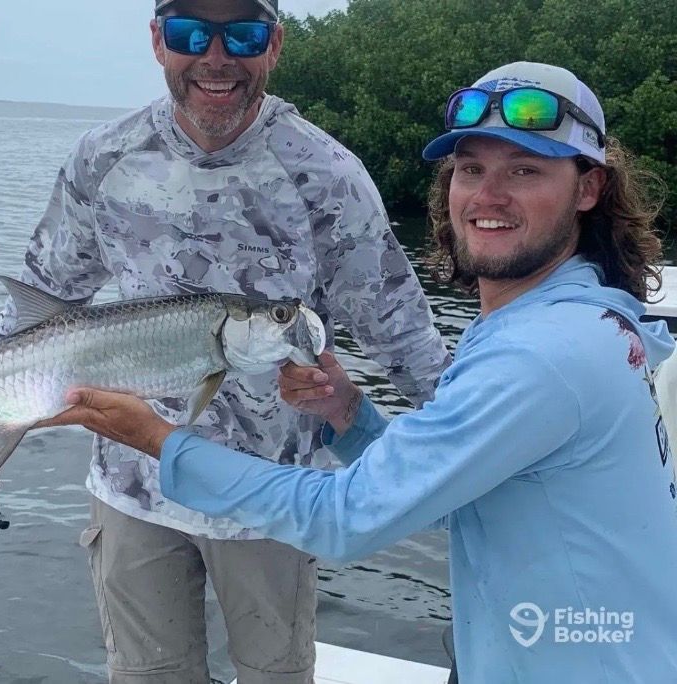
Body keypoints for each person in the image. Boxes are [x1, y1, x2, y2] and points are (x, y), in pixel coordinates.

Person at [53, 62, 677, 682]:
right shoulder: (583, 322)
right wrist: (348, 416)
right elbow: (450, 497)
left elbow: (343, 520)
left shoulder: (539, 356)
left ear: (589, 188)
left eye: (525, 171)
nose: (488, 196)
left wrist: (159, 442)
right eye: (471, 170)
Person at [0, 1, 449, 681]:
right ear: (157, 42)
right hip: (133, 490)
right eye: (191, 32)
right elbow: (41, 294)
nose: (216, 57)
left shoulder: (327, 173)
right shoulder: (105, 156)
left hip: (274, 497)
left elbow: (402, 331)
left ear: (275, 44)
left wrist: (481, 436)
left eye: (244, 33)